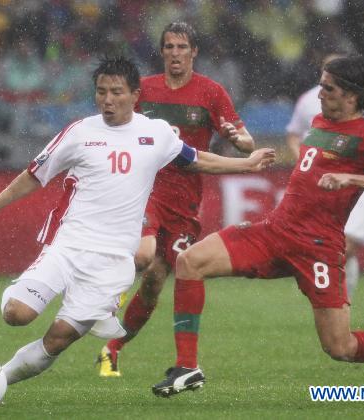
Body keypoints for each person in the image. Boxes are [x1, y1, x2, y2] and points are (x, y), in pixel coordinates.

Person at [0, 56, 275, 388]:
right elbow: (34, 175)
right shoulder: (80, 132)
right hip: (69, 246)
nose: (108, 100)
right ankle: (18, 292)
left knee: (58, 340)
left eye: (116, 92)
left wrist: (246, 163)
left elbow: (197, 160)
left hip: (111, 263)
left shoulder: (156, 133)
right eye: (101, 92)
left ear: (135, 95)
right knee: (16, 316)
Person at [152, 55, 364, 397]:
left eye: (328, 87)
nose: (320, 92)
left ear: (351, 95)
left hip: (318, 248)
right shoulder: (319, 121)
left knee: (339, 347)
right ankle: (187, 367)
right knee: (189, 261)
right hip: (275, 232)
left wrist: (349, 178)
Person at [97, 22, 255, 378]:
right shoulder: (145, 90)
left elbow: (247, 141)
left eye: (182, 47)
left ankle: (114, 346)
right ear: (162, 51)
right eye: (169, 47)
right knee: (143, 255)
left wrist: (236, 138)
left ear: (194, 52)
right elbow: (114, 121)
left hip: (184, 200)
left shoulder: (211, 93)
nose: (175, 54)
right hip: (144, 188)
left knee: (155, 280)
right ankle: (101, 304)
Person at [286, 53, 364, 299]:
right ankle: (331, 296)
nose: (323, 91)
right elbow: (294, 134)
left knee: (347, 246)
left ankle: (339, 297)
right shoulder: (309, 102)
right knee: (321, 246)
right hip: (316, 185)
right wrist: (305, 161)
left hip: (350, 185)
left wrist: (356, 167)